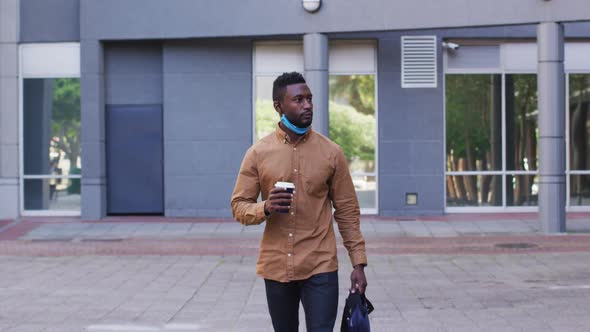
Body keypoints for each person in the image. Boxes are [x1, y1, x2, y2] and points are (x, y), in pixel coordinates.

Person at [231, 72, 368, 332]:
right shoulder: (258, 153)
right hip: (277, 266)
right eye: (298, 100)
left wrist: (358, 263)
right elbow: (239, 206)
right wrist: (266, 207)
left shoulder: (331, 153)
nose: (307, 105)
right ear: (278, 106)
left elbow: (347, 211)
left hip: (320, 265)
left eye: (309, 99)